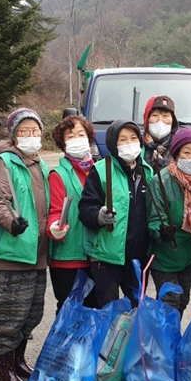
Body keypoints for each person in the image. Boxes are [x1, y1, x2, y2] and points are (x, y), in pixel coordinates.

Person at [0, 108, 49, 381]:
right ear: (14, 135)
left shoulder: (40, 164)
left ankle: (19, 361)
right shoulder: (3, 163)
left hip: (38, 255)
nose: (31, 136)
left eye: (35, 131)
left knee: (31, 315)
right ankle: (5, 371)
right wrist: (12, 222)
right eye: (24, 131)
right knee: (7, 319)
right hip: (12, 254)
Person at [78, 119, 153, 307]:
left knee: (136, 310)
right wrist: (99, 216)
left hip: (138, 258)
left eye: (133, 138)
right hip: (107, 257)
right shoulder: (101, 170)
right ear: (113, 143)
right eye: (122, 139)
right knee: (107, 311)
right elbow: (85, 208)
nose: (129, 143)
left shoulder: (147, 171)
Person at [147, 127, 191, 316]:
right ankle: (165, 334)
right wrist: (161, 230)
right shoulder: (161, 180)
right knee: (169, 302)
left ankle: (173, 333)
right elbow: (153, 217)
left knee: (183, 300)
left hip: (188, 254)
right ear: (176, 155)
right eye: (186, 152)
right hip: (165, 255)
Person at [47, 115, 97, 312]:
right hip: (68, 257)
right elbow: (55, 212)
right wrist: (54, 228)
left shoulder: (100, 170)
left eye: (81, 134)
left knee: (95, 311)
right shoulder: (58, 175)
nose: (77, 139)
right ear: (63, 143)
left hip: (96, 256)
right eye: (70, 136)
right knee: (69, 312)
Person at [143, 95, 179, 169]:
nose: (160, 120)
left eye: (165, 116)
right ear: (147, 119)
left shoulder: (179, 146)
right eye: (155, 115)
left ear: (173, 120)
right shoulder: (137, 145)